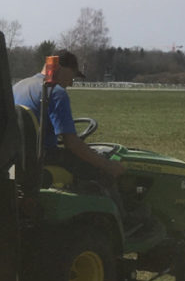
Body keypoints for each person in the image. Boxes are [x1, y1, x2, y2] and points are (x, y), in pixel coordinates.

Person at [12, 50, 124, 183]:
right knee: (103, 172)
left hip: (18, 156)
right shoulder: (55, 92)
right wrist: (108, 165)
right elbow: (71, 143)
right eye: (72, 76)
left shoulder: (18, 86)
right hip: (43, 157)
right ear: (60, 68)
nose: (71, 83)